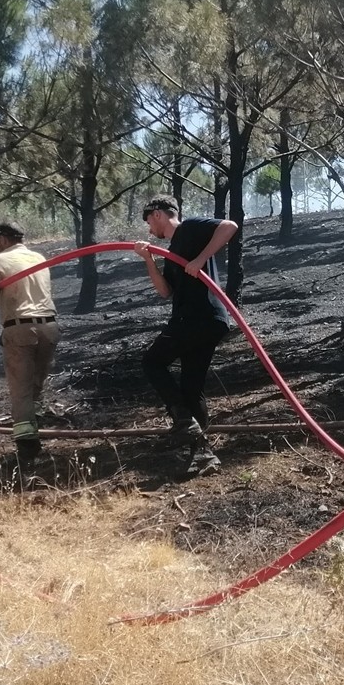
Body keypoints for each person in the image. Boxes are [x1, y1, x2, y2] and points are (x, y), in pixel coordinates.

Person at [133, 197, 238, 477]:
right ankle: (203, 455)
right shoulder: (172, 251)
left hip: (197, 316)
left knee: (152, 362)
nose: (149, 229)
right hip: (205, 321)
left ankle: (182, 419)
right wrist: (149, 260)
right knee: (192, 388)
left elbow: (229, 226)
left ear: (157, 214)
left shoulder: (188, 228)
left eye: (148, 221)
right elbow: (165, 291)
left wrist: (201, 259)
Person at [0, 220, 60, 466]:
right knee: (35, 385)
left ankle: (27, 449)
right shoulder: (39, 258)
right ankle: (35, 428)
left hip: (20, 329)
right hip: (50, 328)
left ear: (2, 239)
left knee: (21, 390)